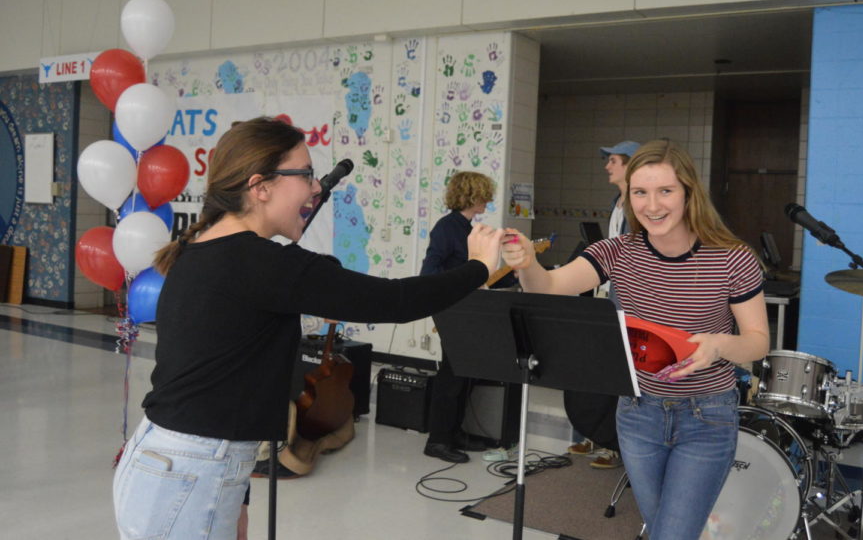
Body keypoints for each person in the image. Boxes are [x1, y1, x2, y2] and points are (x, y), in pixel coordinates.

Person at [111, 117, 505, 540]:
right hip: (192, 474)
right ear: (260, 187)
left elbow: (216, 378)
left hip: (176, 463)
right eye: (305, 175)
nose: (316, 188)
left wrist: (237, 494)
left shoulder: (204, 247)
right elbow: (398, 301)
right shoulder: (264, 265)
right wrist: (478, 267)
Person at [501, 140, 768, 540]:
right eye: (640, 192)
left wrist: (718, 346)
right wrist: (527, 264)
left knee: (671, 534)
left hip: (707, 417)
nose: (652, 205)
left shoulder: (732, 258)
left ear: (688, 193)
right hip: (638, 414)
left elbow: (758, 341)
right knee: (662, 528)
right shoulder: (618, 252)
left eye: (665, 191)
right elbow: (553, 285)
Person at [421, 171, 515, 464]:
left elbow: (477, 275)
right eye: (484, 194)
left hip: (467, 310)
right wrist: (460, 283)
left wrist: (514, 273)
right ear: (472, 195)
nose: (488, 200)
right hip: (452, 311)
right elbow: (430, 273)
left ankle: (454, 433)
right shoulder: (447, 229)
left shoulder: (468, 230)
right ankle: (437, 440)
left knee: (464, 373)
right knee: (451, 377)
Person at [566, 140, 641, 469]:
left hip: (633, 309)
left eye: (613, 161)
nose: (607, 167)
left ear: (630, 164)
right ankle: (604, 439)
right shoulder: (617, 203)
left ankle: (624, 447)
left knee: (626, 380)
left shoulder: (640, 207)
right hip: (613, 304)